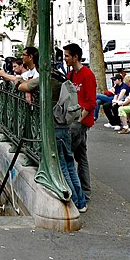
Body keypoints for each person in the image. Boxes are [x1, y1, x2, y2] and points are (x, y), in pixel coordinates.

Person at [44, 75, 87, 212]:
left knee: (63, 167)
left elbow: (26, 86)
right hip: (66, 128)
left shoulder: (49, 81)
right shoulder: (63, 80)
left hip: (56, 129)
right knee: (70, 166)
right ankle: (81, 202)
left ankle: (73, 201)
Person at [63, 42, 96, 201]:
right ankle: (85, 190)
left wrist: (78, 121)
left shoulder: (87, 75)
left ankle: (79, 192)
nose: (65, 59)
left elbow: (91, 103)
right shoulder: (71, 75)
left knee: (68, 156)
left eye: (67, 56)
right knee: (81, 156)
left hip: (80, 122)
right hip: (75, 120)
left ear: (75, 57)